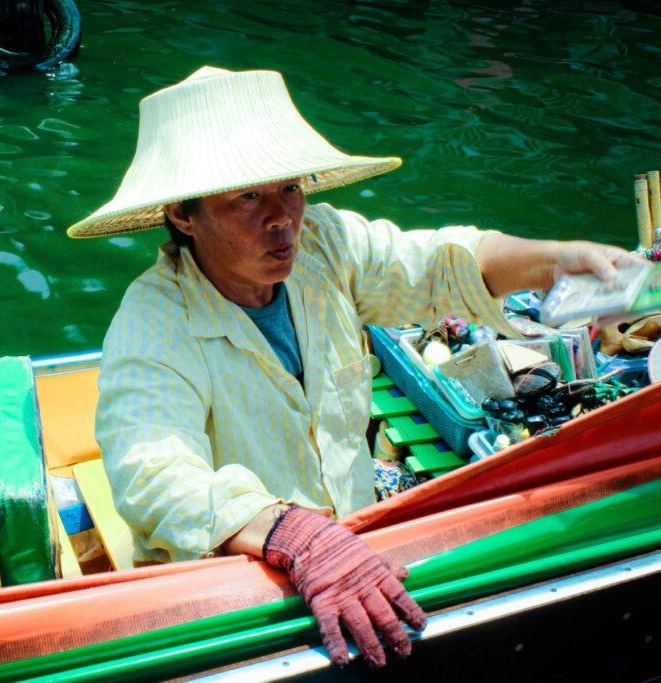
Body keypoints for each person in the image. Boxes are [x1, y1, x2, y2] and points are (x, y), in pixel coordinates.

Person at [66, 66, 639, 667]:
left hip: (357, 547)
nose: (282, 217)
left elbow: (438, 263)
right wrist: (295, 534)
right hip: (237, 600)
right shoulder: (153, 323)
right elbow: (152, 475)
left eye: (290, 188)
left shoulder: (323, 246)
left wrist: (559, 262)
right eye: (247, 198)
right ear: (184, 217)